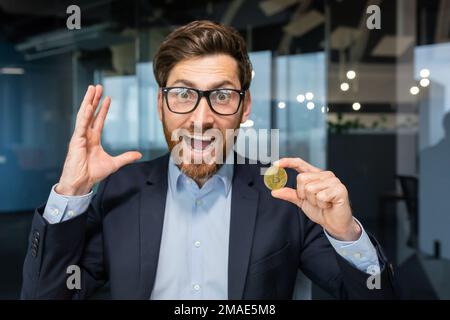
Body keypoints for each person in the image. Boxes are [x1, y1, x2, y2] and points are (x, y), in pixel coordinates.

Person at [21, 20, 396, 300]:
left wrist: (346, 235)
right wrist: (70, 191)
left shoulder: (285, 197)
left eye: (221, 96)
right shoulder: (122, 189)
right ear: (160, 104)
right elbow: (47, 295)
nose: (201, 119)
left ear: (244, 106)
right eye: (183, 94)